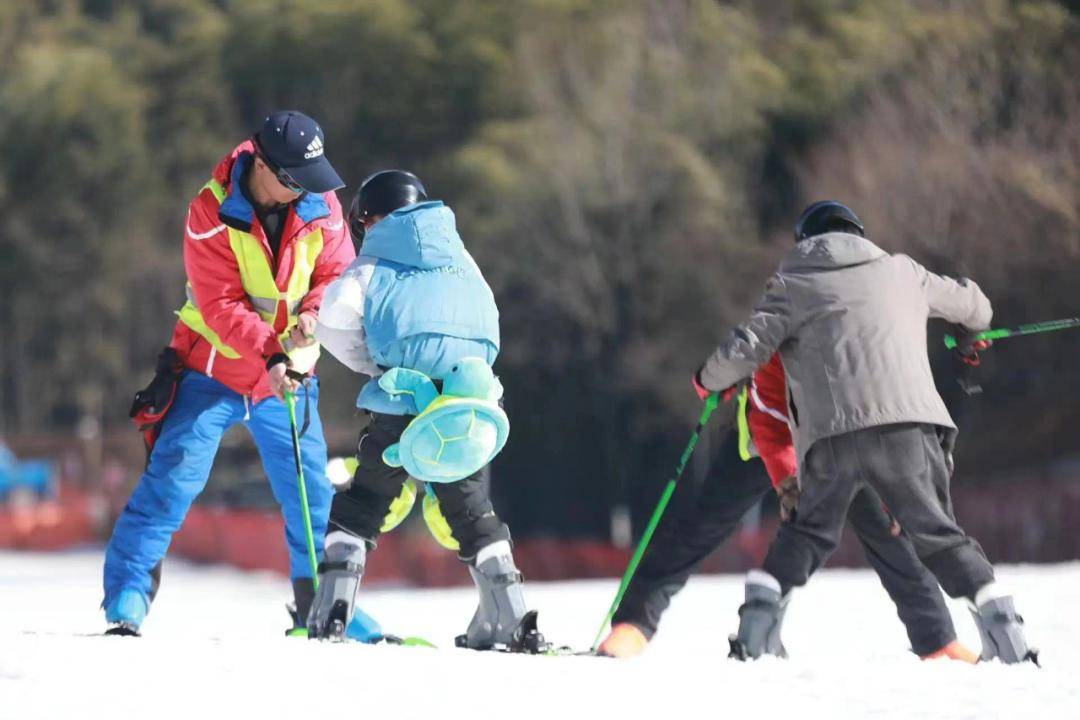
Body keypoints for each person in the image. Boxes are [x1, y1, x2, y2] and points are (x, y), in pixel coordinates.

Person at [694, 200, 1036, 664]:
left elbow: (747, 348)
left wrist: (706, 379)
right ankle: (1005, 631)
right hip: (908, 431)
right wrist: (973, 327)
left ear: (806, 242)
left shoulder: (792, 285)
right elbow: (976, 305)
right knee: (939, 536)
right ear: (857, 233)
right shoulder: (904, 273)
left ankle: (757, 629)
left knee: (807, 534)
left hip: (830, 440)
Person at [103, 111, 354, 635]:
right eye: (294, 182)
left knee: (310, 493)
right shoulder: (208, 210)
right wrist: (272, 354)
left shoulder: (320, 202)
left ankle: (326, 609)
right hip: (211, 370)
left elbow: (336, 270)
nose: (306, 193)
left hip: (289, 376)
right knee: (172, 482)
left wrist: (314, 312)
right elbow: (219, 304)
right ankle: (128, 595)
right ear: (263, 166)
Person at [598, 353, 976, 662]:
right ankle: (632, 624)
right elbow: (769, 420)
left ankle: (937, 640)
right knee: (701, 527)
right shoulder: (783, 325)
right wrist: (788, 484)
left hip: (839, 446)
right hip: (765, 446)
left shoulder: (862, 338)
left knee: (887, 532)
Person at [310, 170, 539, 650]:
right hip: (467, 402)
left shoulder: (374, 261)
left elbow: (332, 315)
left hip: (402, 399)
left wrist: (373, 361)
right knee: (472, 508)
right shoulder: (461, 257)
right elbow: (488, 319)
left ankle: (332, 609)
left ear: (368, 219)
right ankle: (510, 616)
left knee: (367, 498)